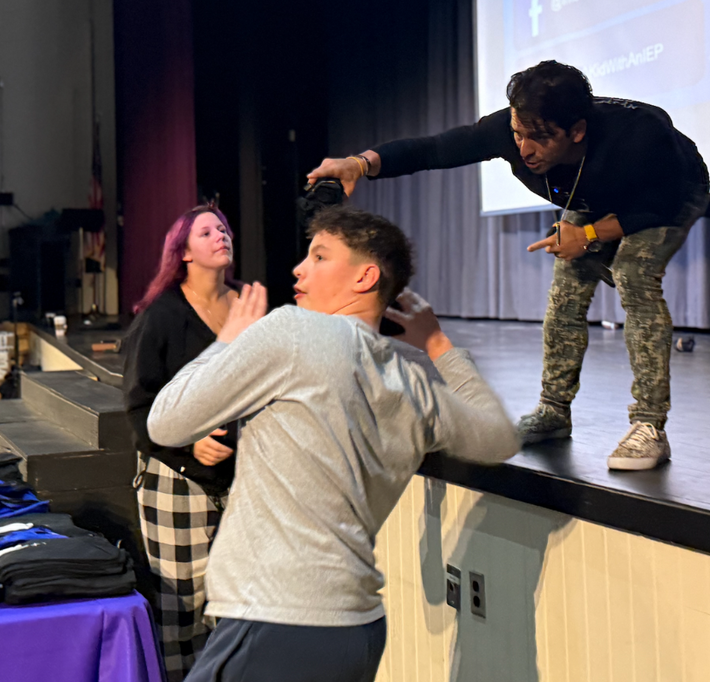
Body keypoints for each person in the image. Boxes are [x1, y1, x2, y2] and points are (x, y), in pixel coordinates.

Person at [146, 207, 519, 682]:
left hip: (278, 620)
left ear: (366, 276)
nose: (299, 268)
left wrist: (227, 340)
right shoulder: (413, 381)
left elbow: (165, 422)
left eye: (319, 256)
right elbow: (500, 436)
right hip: (357, 631)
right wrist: (440, 346)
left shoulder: (294, 332)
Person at [308, 60, 710, 471]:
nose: (524, 149)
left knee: (633, 274)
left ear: (577, 131)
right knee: (567, 287)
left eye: (539, 139)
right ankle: (553, 412)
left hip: (668, 195)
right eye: (518, 134)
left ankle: (649, 425)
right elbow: (435, 149)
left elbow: (660, 205)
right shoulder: (510, 130)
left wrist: (588, 236)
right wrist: (359, 163)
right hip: (594, 198)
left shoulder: (640, 137)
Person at [123, 202, 240, 682]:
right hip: (176, 479)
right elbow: (138, 406)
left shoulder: (248, 307)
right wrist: (188, 448)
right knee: (182, 611)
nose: (221, 235)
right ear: (184, 252)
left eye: (224, 228)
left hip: (241, 480)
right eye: (207, 231)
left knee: (236, 606)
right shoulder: (164, 314)